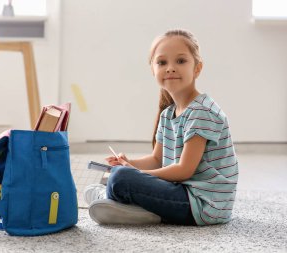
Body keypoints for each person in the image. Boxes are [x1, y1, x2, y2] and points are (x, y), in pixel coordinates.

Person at [84, 29, 239, 226]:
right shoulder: (168, 114)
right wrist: (129, 162)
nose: (171, 68)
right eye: (162, 62)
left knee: (121, 178)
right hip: (183, 193)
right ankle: (124, 203)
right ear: (153, 70)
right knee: (119, 174)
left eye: (181, 61)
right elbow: (157, 159)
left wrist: (133, 173)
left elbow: (184, 170)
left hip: (203, 205)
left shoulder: (202, 112)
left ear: (197, 68)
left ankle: (122, 203)